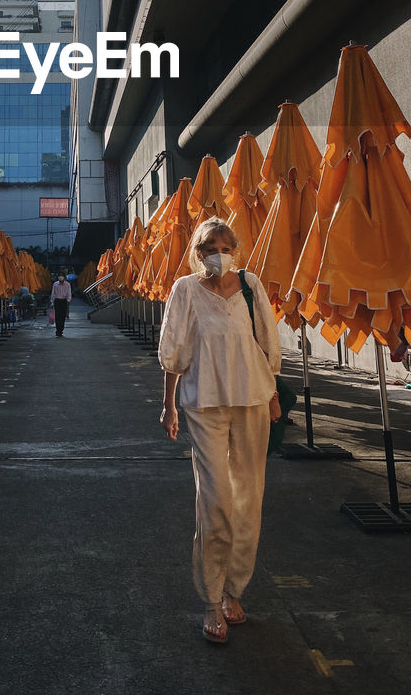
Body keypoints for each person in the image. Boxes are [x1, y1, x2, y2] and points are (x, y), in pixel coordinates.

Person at [158, 217, 281, 645]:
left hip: (252, 398)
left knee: (249, 498)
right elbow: (174, 350)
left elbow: (267, 340)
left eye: (227, 244)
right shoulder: (185, 289)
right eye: (211, 244)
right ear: (198, 250)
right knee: (215, 501)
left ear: (236, 248)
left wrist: (273, 393)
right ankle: (211, 601)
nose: (220, 251)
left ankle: (234, 591)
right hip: (202, 403)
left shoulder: (250, 285)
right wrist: (168, 404)